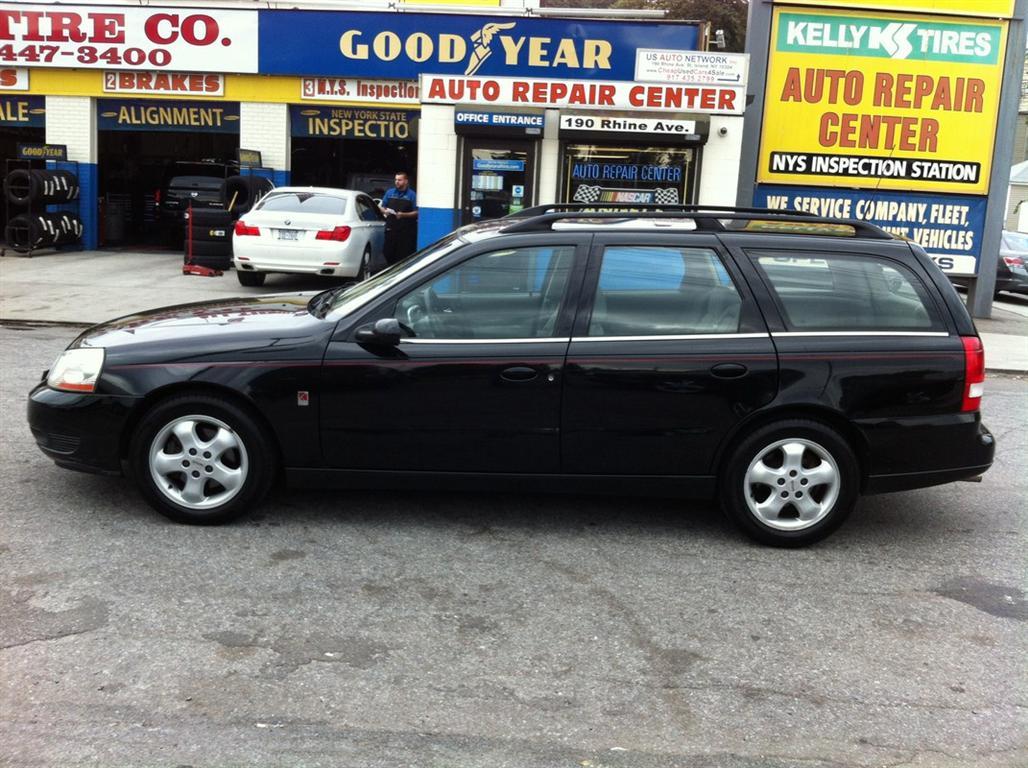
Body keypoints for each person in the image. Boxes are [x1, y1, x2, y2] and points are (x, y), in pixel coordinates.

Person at [379, 172, 418, 266]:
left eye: (399, 180)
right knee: (387, 252)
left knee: (403, 256)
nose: (397, 182)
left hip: (406, 231)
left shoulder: (412, 195)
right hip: (391, 229)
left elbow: (417, 212)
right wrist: (384, 211)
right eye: (396, 180)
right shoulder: (390, 193)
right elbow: (381, 207)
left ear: (406, 181)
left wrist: (403, 215)